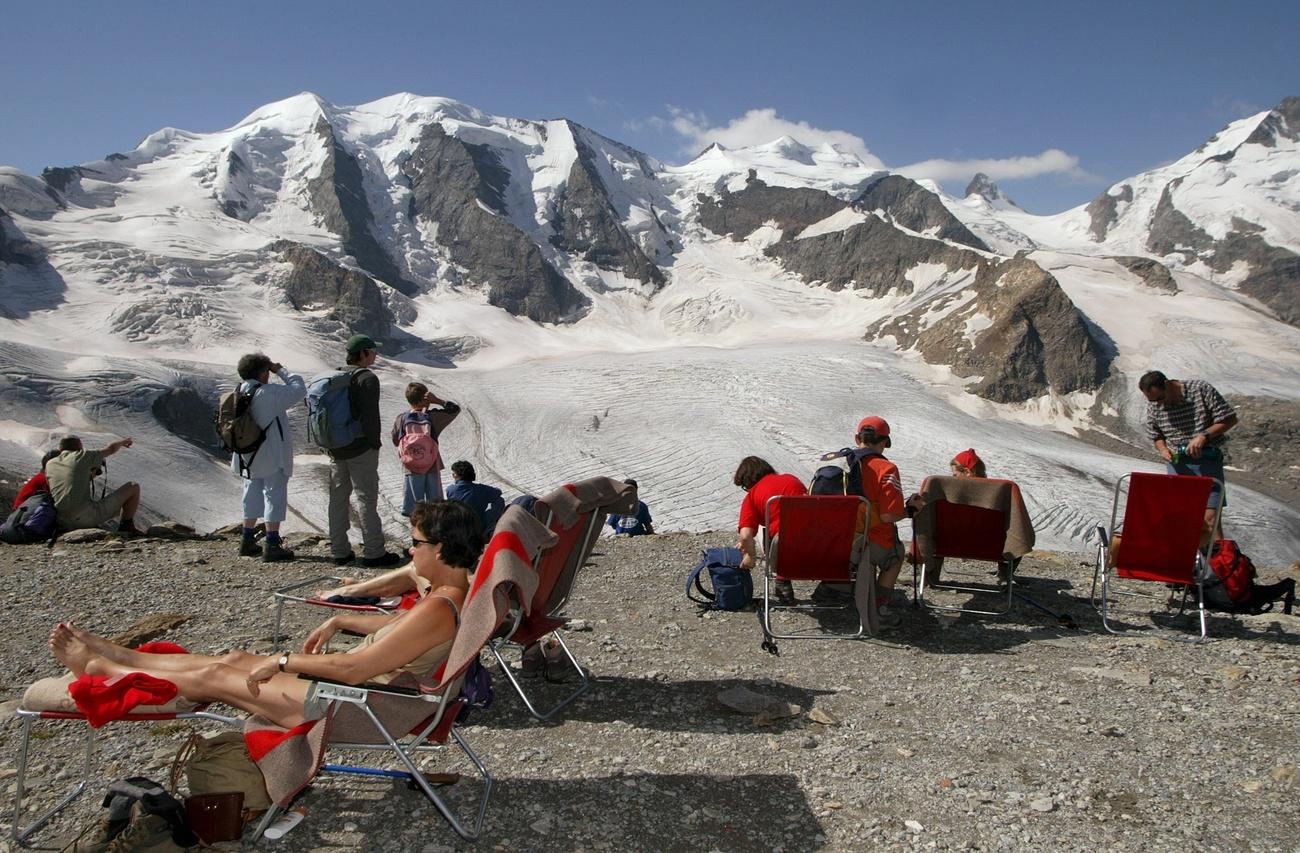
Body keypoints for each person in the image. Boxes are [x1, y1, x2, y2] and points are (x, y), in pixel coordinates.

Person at [47, 500, 483, 730]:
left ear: (440, 549)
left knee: (216, 677)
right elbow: (397, 631)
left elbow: (352, 669)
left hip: (356, 707)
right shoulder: (446, 597)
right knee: (235, 658)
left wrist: (282, 661)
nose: (410, 550)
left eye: (416, 543)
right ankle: (126, 657)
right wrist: (342, 619)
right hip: (351, 694)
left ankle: (110, 672)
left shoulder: (439, 607)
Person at [327, 334, 403, 569]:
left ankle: (339, 551)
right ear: (362, 354)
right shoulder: (367, 378)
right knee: (366, 498)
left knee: (338, 499)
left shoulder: (334, 376)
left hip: (336, 447)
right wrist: (374, 443)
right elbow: (370, 416)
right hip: (361, 447)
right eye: (371, 350)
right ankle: (373, 552)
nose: (375, 354)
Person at [1139, 370, 1238, 544]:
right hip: (1178, 465)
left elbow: (1229, 419)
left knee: (1211, 519)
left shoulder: (1200, 389)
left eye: (1158, 399)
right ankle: (1187, 564)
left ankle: (1216, 565)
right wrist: (1163, 450)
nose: (1157, 404)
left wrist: (1203, 436)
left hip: (1207, 461)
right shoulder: (1155, 404)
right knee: (1181, 519)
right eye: (1151, 401)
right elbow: (1156, 434)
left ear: (1168, 385)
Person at [232, 353, 307, 562]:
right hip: (271, 453)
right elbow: (299, 388)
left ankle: (247, 539)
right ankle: (272, 543)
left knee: (251, 491)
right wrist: (280, 370)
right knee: (274, 493)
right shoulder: (269, 392)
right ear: (263, 372)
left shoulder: (239, 390)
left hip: (247, 452)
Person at [844, 416, 907, 623]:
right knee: (896, 554)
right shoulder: (886, 469)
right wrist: (910, 510)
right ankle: (879, 606)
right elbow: (890, 515)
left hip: (835, 541)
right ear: (883, 442)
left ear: (857, 438)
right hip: (869, 542)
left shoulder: (838, 463)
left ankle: (832, 587)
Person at [733, 456, 807, 604]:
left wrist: (750, 557)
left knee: (771, 532)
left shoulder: (753, 495)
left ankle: (782, 584)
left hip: (786, 550)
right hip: (821, 548)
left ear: (748, 481)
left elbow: (746, 535)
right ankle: (832, 585)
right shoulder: (792, 480)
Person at [46, 436, 143, 536]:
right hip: (85, 517)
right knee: (133, 486)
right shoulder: (82, 455)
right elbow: (111, 449)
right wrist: (123, 442)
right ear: (79, 446)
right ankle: (126, 526)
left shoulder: (50, 463)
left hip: (62, 521)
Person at [391, 382, 461, 517]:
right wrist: (437, 400)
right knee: (435, 508)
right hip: (431, 465)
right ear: (426, 398)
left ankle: (417, 535)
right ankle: (434, 535)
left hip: (411, 466)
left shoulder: (401, 418)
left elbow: (395, 440)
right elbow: (455, 409)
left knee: (415, 510)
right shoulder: (432, 417)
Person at [445, 461, 506, 536]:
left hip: (458, 526)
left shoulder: (450, 489)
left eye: (454, 473)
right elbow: (498, 493)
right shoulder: (481, 489)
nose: (453, 475)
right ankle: (490, 527)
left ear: (458, 475)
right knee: (499, 500)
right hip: (478, 525)